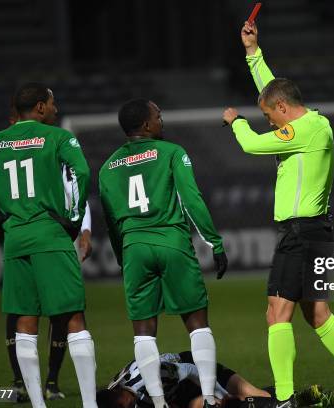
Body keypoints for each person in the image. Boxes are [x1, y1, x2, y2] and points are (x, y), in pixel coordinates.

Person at [222, 21, 334, 408]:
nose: (269, 123)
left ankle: (287, 399)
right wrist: (252, 52)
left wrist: (236, 122)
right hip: (311, 232)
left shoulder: (308, 128)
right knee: (318, 313)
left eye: (270, 116)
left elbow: (252, 145)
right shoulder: (307, 123)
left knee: (277, 314)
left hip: (302, 235)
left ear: (282, 109)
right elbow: (272, 91)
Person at [0, 83, 97, 408]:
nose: (56, 110)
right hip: (51, 236)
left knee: (25, 321)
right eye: (53, 104)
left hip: (15, 240)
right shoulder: (57, 137)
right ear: (40, 108)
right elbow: (82, 171)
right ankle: (89, 404)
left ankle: (38, 404)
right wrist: (72, 217)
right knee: (73, 317)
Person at [99, 98, 228, 408]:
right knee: (198, 323)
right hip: (171, 242)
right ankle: (209, 398)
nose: (161, 119)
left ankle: (158, 403)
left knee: (143, 332)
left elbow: (111, 221)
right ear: (146, 124)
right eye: (158, 115)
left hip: (134, 248)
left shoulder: (107, 167)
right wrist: (215, 243)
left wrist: (123, 256)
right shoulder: (172, 152)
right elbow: (192, 201)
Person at [96, 351, 272, 408]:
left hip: (193, 370)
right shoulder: (117, 393)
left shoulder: (149, 375)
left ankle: (280, 398)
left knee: (252, 395)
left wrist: (220, 393)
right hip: (175, 396)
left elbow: (190, 370)